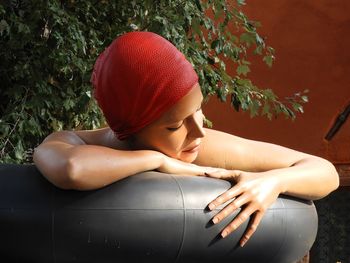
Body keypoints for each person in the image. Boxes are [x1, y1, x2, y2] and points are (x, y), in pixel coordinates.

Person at [33, 31, 339, 247]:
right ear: (132, 130)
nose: (200, 131)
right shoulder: (74, 141)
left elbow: (325, 171)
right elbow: (72, 169)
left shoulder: (205, 146)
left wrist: (272, 182)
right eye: (176, 125)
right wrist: (156, 161)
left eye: (199, 110)